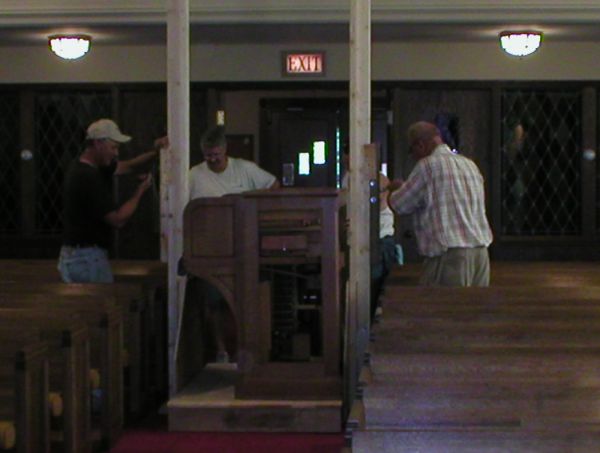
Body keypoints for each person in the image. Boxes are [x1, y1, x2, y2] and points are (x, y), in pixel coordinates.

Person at [189, 125, 279, 362]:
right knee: (213, 301)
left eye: (216, 155)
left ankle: (248, 351)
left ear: (225, 149)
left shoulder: (245, 169)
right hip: (211, 250)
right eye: (208, 156)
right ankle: (220, 350)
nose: (212, 159)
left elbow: (273, 185)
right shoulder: (194, 175)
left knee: (244, 301)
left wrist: (258, 210)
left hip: (243, 247)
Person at [58, 118, 168, 283]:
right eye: (113, 147)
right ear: (98, 143)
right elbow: (118, 219)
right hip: (86, 258)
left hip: (79, 256)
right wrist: (140, 191)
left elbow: (128, 166)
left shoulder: (88, 166)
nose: (116, 153)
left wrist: (156, 151)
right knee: (100, 300)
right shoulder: (87, 176)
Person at [388, 121, 493, 286]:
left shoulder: (427, 166)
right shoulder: (470, 165)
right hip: (480, 254)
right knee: (475, 303)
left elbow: (399, 204)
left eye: (412, 151)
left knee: (442, 303)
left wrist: (395, 189)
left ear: (420, 145)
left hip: (451, 255)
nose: (413, 156)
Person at [341, 142, 399, 321]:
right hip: (361, 240)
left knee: (379, 289)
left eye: (349, 158)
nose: (346, 162)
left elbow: (377, 205)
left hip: (380, 239)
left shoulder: (378, 178)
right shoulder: (348, 178)